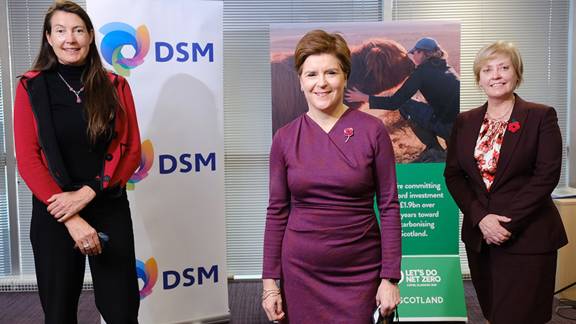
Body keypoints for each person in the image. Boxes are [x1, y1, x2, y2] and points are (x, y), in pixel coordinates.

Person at [13, 1, 141, 323]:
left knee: (122, 311)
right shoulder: (31, 86)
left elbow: (132, 151)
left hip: (108, 205)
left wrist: (91, 192)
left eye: (78, 30)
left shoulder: (115, 86)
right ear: (49, 37)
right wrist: (71, 217)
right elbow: (28, 159)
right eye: (61, 31)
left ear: (90, 36)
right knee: (58, 314)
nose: (70, 38)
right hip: (53, 211)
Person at [261, 29, 401, 323]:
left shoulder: (372, 131)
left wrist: (390, 277)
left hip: (360, 272)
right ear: (300, 80)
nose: (321, 83)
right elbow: (276, 211)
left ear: (345, 77)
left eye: (331, 73)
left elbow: (389, 206)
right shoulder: (284, 138)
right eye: (311, 74)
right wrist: (270, 284)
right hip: (300, 272)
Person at [444, 41, 567, 324]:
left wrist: (504, 223)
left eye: (503, 67)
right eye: (487, 69)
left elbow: (546, 175)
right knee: (492, 313)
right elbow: (454, 175)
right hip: (481, 239)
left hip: (527, 236)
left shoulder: (540, 116)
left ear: (517, 73)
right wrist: (482, 219)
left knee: (520, 316)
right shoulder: (465, 121)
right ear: (479, 78)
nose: (495, 75)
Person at [346, 37, 460, 161]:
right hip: (461, 128)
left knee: (406, 105)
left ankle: (434, 147)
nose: (412, 56)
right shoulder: (448, 68)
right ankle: (450, 144)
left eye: (414, 53)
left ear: (422, 53)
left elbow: (393, 103)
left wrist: (363, 97)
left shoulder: (421, 73)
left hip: (449, 128)